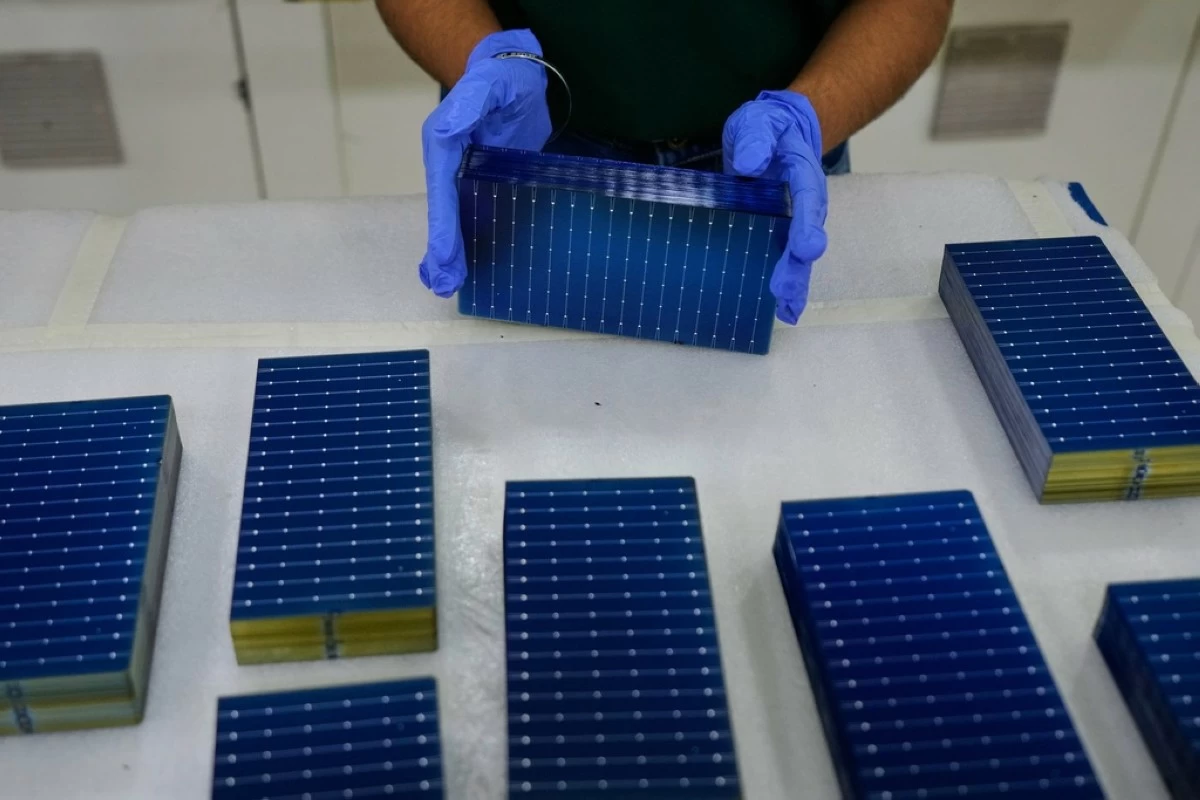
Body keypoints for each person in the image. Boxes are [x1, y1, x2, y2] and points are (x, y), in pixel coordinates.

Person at [377, 0, 953, 324]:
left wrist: (812, 113)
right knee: (520, 391)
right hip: (531, 138)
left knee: (780, 396)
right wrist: (485, 55)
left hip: (771, 153)